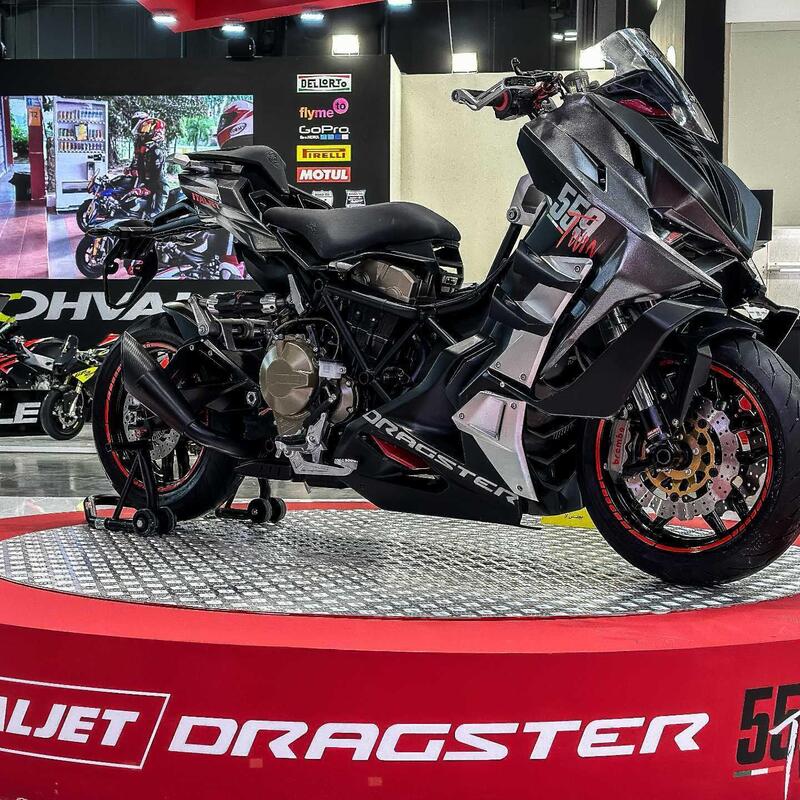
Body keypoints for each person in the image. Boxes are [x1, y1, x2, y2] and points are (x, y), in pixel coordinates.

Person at [124, 116, 169, 215]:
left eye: (147, 129)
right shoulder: (145, 149)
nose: (143, 133)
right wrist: (132, 170)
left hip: (158, 186)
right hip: (148, 182)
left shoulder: (157, 151)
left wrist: (148, 188)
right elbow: (140, 166)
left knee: (155, 215)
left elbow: (157, 175)